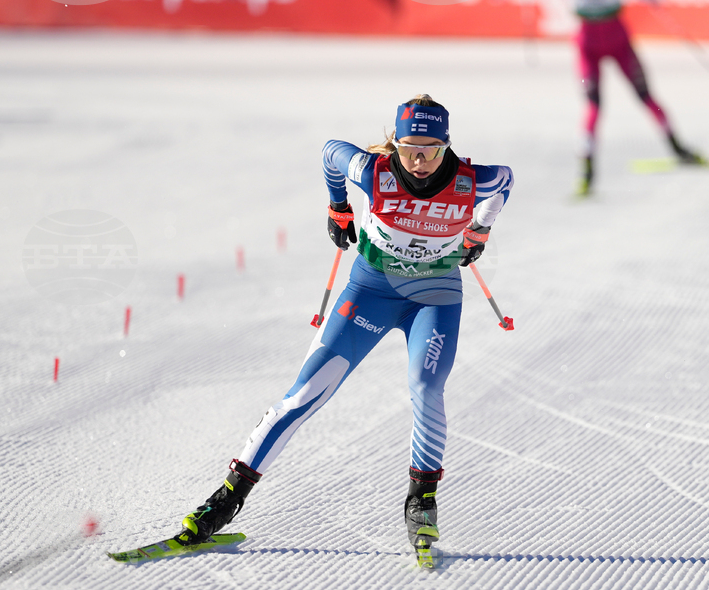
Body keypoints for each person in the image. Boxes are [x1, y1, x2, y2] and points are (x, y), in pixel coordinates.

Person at [172, 94, 514, 558]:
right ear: (395, 144)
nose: (419, 161)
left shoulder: (473, 180)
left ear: (446, 146)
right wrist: (339, 207)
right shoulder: (373, 171)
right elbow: (331, 152)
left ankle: (421, 501)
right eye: (409, 149)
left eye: (431, 151)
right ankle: (226, 500)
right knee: (304, 395)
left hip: (434, 295)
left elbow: (505, 181)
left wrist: (481, 228)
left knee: (426, 387)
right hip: (371, 290)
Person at [527, 0, 704, 196]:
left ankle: (678, 147)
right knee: (593, 105)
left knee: (646, 96)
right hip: (587, 43)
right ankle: (587, 170)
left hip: (618, 39)